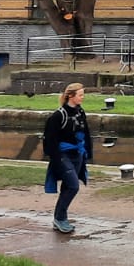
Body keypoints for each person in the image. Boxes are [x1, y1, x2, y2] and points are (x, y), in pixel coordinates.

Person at [43, 83, 92, 234]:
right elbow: (49, 140)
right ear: (70, 96)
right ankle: (59, 218)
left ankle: (60, 217)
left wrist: (88, 152)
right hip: (63, 155)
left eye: (83, 95)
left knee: (67, 186)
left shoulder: (80, 111)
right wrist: (56, 159)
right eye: (80, 95)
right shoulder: (58, 115)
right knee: (73, 186)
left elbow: (86, 132)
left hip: (77, 154)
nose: (82, 98)